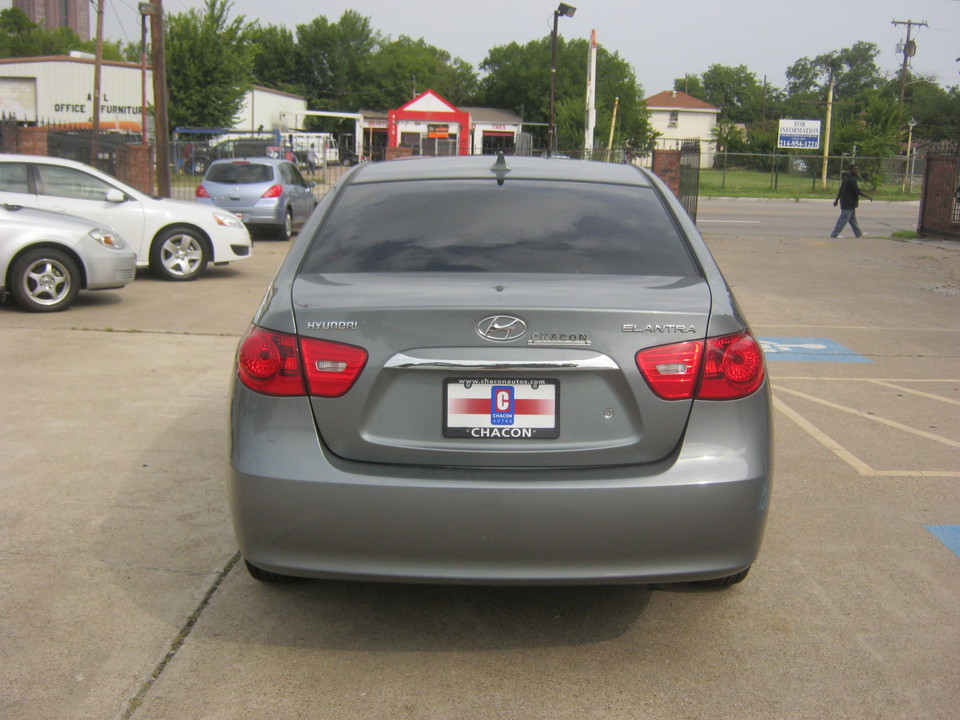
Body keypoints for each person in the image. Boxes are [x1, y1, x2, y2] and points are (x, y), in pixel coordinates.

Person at [831, 164, 872, 238]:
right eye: (854, 169)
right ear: (851, 170)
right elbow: (857, 191)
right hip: (848, 202)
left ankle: (858, 234)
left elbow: (841, 189)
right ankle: (834, 235)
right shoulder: (851, 180)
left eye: (857, 169)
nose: (856, 171)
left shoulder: (847, 178)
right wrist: (868, 197)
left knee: (852, 220)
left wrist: (837, 200)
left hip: (849, 202)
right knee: (843, 219)